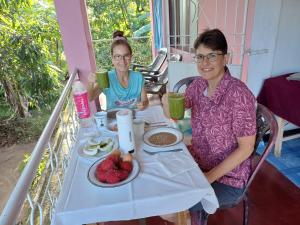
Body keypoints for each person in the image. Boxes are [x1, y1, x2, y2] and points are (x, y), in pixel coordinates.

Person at [161, 29, 256, 225]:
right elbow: (174, 114)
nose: (205, 63)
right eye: (200, 57)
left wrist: (208, 177)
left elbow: (246, 148)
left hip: (227, 178)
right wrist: (165, 100)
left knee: (168, 207)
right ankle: (187, 218)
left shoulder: (238, 95)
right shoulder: (198, 85)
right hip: (198, 161)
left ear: (225, 58)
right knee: (160, 183)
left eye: (212, 56)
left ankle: (186, 218)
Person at [88, 30, 149, 110]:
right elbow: (90, 98)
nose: (122, 61)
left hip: (134, 119)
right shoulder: (106, 78)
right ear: (112, 59)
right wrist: (90, 83)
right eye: (117, 56)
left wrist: (143, 104)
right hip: (114, 120)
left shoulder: (138, 77)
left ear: (131, 57)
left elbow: (146, 101)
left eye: (126, 56)